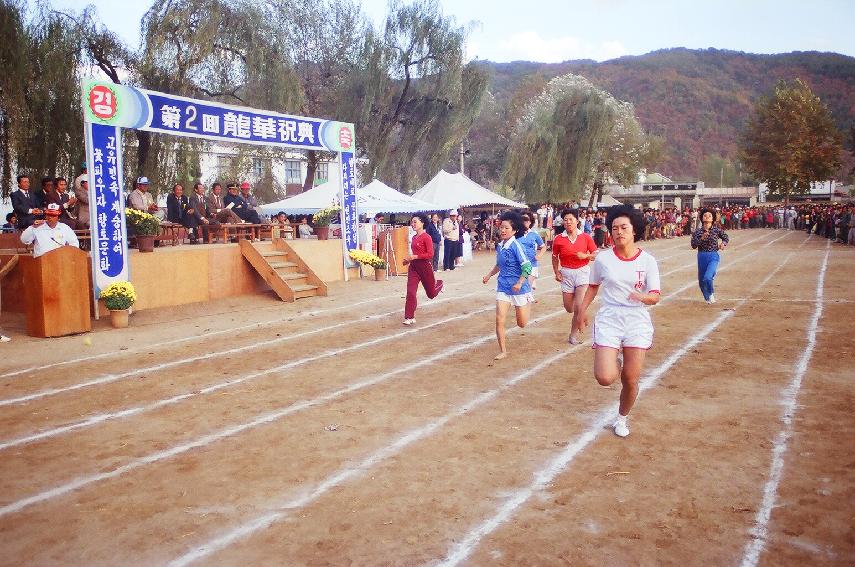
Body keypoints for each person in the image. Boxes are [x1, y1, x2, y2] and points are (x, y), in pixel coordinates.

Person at [578, 205, 660, 438]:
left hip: (636, 318)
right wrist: (581, 311)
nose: (618, 232)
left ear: (634, 230)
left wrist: (642, 296)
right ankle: (617, 358)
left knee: (631, 379)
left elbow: (655, 296)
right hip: (610, 318)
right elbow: (593, 287)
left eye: (624, 227)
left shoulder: (647, 261)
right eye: (614, 228)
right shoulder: (603, 259)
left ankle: (622, 419)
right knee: (605, 377)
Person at [482, 211, 533, 360]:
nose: (503, 230)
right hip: (503, 287)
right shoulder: (500, 246)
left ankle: (528, 300)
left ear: (515, 230)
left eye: (507, 228)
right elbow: (499, 264)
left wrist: (520, 282)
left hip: (519, 289)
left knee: (522, 323)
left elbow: (527, 267)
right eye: (501, 227)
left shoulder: (517, 246)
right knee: (499, 319)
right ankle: (503, 350)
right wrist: (489, 275)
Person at [552, 209, 597, 344]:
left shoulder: (585, 237)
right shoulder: (559, 239)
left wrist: (586, 256)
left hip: (582, 272)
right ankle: (583, 314)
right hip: (566, 274)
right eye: (565, 220)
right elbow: (555, 257)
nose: (568, 222)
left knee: (578, 306)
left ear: (577, 221)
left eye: (571, 219)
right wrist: (557, 271)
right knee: (569, 308)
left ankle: (573, 335)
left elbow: (596, 254)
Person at [401, 213, 444, 325]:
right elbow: (414, 254)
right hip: (414, 268)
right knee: (410, 292)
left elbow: (430, 254)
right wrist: (408, 260)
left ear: (422, 223)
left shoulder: (427, 237)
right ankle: (409, 317)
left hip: (425, 267)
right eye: (412, 222)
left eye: (415, 221)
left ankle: (440, 283)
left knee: (431, 294)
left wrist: (415, 256)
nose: (413, 224)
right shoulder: (414, 237)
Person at [691, 208, 729, 304]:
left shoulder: (716, 230)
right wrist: (701, 238)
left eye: (709, 215)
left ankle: (711, 293)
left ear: (713, 219)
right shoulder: (698, 232)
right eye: (705, 215)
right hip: (701, 256)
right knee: (701, 281)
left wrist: (723, 244)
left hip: (713, 256)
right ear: (702, 218)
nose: (707, 216)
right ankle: (707, 296)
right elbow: (694, 245)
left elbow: (725, 237)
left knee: (708, 277)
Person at [519, 212, 546, 293]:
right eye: (522, 220)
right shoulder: (515, 234)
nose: (524, 222)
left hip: (531, 265)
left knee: (527, 289)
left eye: (527, 220)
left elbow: (543, 246)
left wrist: (540, 255)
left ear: (530, 222)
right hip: (518, 265)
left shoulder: (534, 234)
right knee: (520, 289)